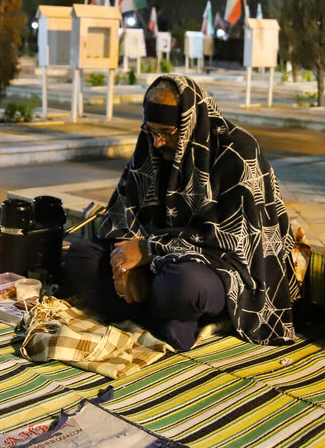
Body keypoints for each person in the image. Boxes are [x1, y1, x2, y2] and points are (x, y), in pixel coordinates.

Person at [63, 75, 298, 351]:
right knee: (81, 257)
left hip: (220, 273)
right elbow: (122, 212)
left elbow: (234, 244)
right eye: (151, 131)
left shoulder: (238, 153)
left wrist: (149, 250)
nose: (158, 143)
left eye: (167, 133)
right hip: (158, 268)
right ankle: (169, 324)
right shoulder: (151, 144)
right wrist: (126, 265)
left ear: (189, 123)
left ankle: (153, 314)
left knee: (182, 286)